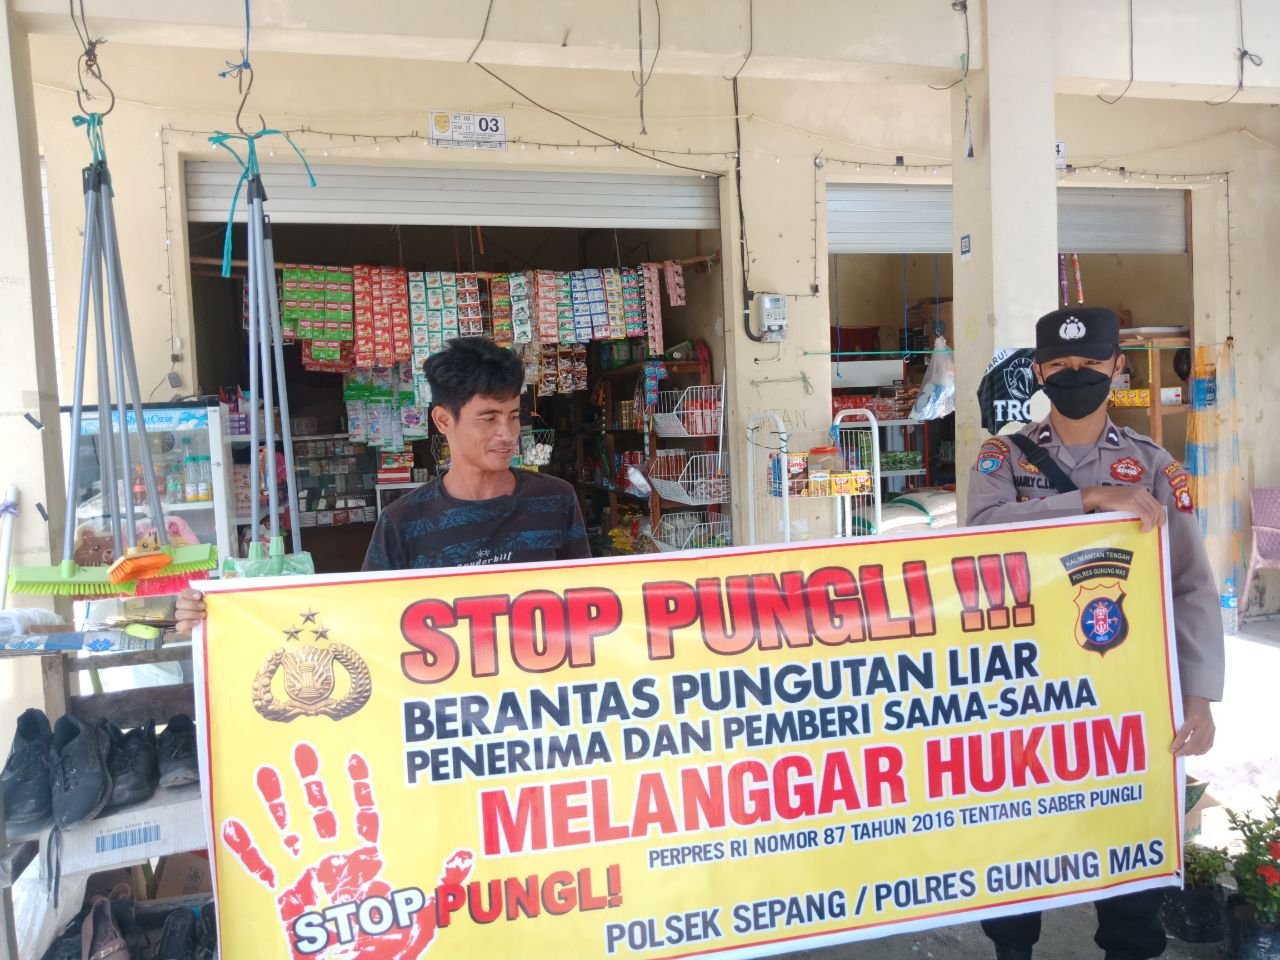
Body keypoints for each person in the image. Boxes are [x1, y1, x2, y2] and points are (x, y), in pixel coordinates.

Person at [967, 306, 1224, 960]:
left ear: (1117, 366)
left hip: (1125, 696)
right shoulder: (1002, 459)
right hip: (1027, 690)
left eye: (1089, 363)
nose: (1075, 374)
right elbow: (981, 536)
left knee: (1128, 848)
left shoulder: (1154, 466)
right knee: (1018, 842)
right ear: (1038, 371)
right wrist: (1088, 500)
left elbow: (1190, 586)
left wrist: (1198, 696)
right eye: (1060, 364)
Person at [176, 338, 589, 632]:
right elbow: (366, 623)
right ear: (443, 420)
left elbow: (590, 602)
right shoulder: (402, 522)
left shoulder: (555, 500)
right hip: (446, 717)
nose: (507, 433)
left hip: (541, 712)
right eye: (489, 418)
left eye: (514, 415)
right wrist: (220, 615)